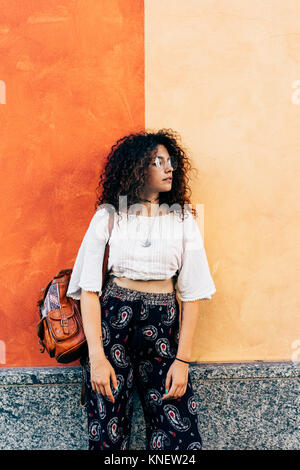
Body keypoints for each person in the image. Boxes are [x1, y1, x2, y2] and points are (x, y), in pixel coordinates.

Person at [66, 129, 216, 450]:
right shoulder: (109, 216)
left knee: (179, 436)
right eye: (157, 162)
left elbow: (192, 295)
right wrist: (97, 358)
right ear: (136, 168)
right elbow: (88, 290)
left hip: (162, 326)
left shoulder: (183, 220)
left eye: (170, 161)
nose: (169, 168)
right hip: (112, 322)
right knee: (108, 432)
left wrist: (183, 361)